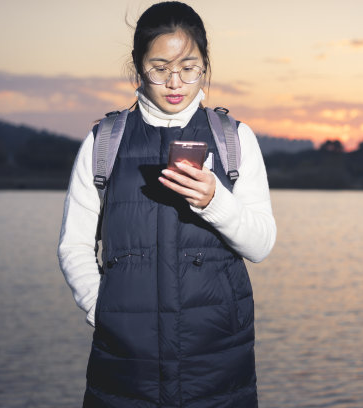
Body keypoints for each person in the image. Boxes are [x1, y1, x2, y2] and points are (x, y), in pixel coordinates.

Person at [57, 2, 276, 407]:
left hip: (218, 364)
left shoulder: (235, 139)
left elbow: (261, 245)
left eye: (189, 67)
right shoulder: (104, 142)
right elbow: (73, 245)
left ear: (205, 66)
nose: (175, 82)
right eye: (160, 68)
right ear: (139, 67)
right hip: (124, 364)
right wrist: (103, 311)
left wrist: (214, 201)